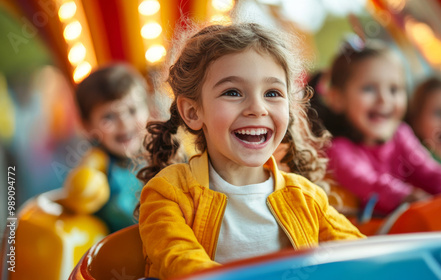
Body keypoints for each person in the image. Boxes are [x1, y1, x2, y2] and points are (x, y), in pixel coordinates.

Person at [137, 22, 365, 279]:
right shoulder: (169, 193)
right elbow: (180, 261)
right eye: (233, 92)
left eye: (272, 93)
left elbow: (361, 257)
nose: (257, 108)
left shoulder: (306, 197)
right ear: (192, 111)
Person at [322, 38, 441, 216]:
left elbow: (428, 170)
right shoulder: (337, 151)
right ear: (337, 98)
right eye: (369, 89)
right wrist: (403, 196)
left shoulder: (401, 135)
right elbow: (366, 182)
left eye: (394, 89)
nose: (384, 99)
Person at [67, 63, 150, 232]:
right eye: (109, 117)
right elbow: (80, 195)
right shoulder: (98, 164)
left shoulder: (161, 152)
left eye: (132, 110)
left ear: (149, 109)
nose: (124, 123)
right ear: (87, 126)